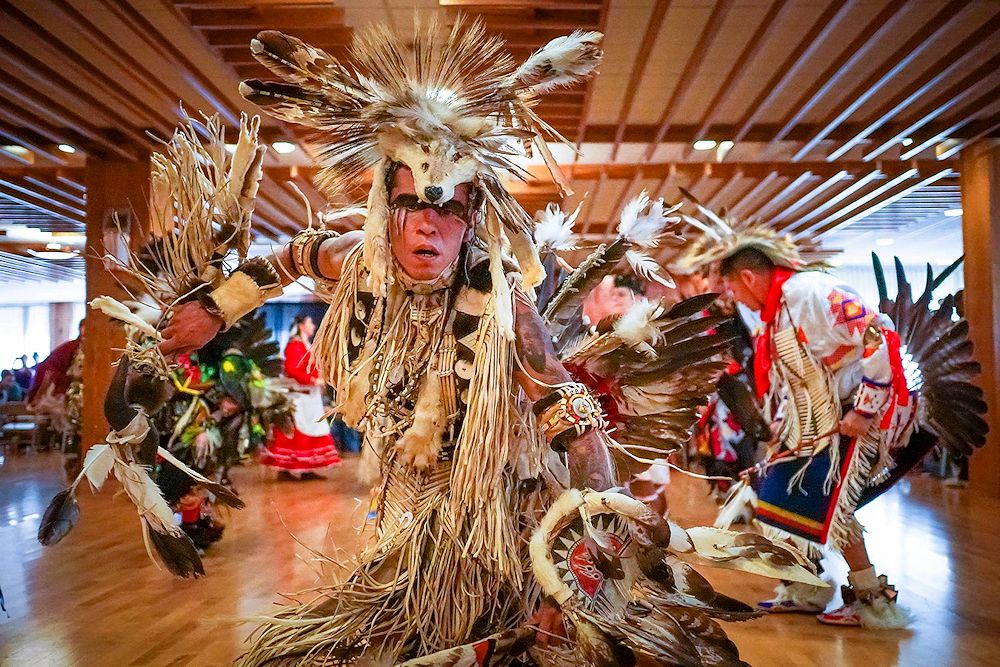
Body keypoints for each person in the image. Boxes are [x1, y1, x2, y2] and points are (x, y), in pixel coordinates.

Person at [153, 21, 820, 665]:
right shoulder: (358, 259)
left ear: (473, 215)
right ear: (388, 206)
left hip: (495, 522)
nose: (429, 227)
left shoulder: (506, 305)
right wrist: (216, 309)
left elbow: (573, 420)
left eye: (449, 209)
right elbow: (290, 257)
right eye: (413, 204)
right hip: (404, 507)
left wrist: (583, 567)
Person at [677, 198, 986, 628]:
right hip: (818, 421)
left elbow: (876, 333)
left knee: (833, 511)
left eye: (733, 288)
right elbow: (792, 380)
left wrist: (864, 409)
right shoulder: (775, 314)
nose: (734, 298)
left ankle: (875, 601)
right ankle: (807, 588)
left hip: (857, 414)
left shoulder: (808, 292)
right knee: (776, 500)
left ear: (748, 276)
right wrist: (782, 432)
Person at [258, 314, 340, 479]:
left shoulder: (305, 345)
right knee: (296, 432)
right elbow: (293, 370)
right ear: (302, 325)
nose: (313, 326)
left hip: (311, 397)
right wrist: (312, 380)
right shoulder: (294, 346)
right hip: (300, 397)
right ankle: (286, 469)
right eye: (310, 322)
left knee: (311, 431)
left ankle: (307, 468)